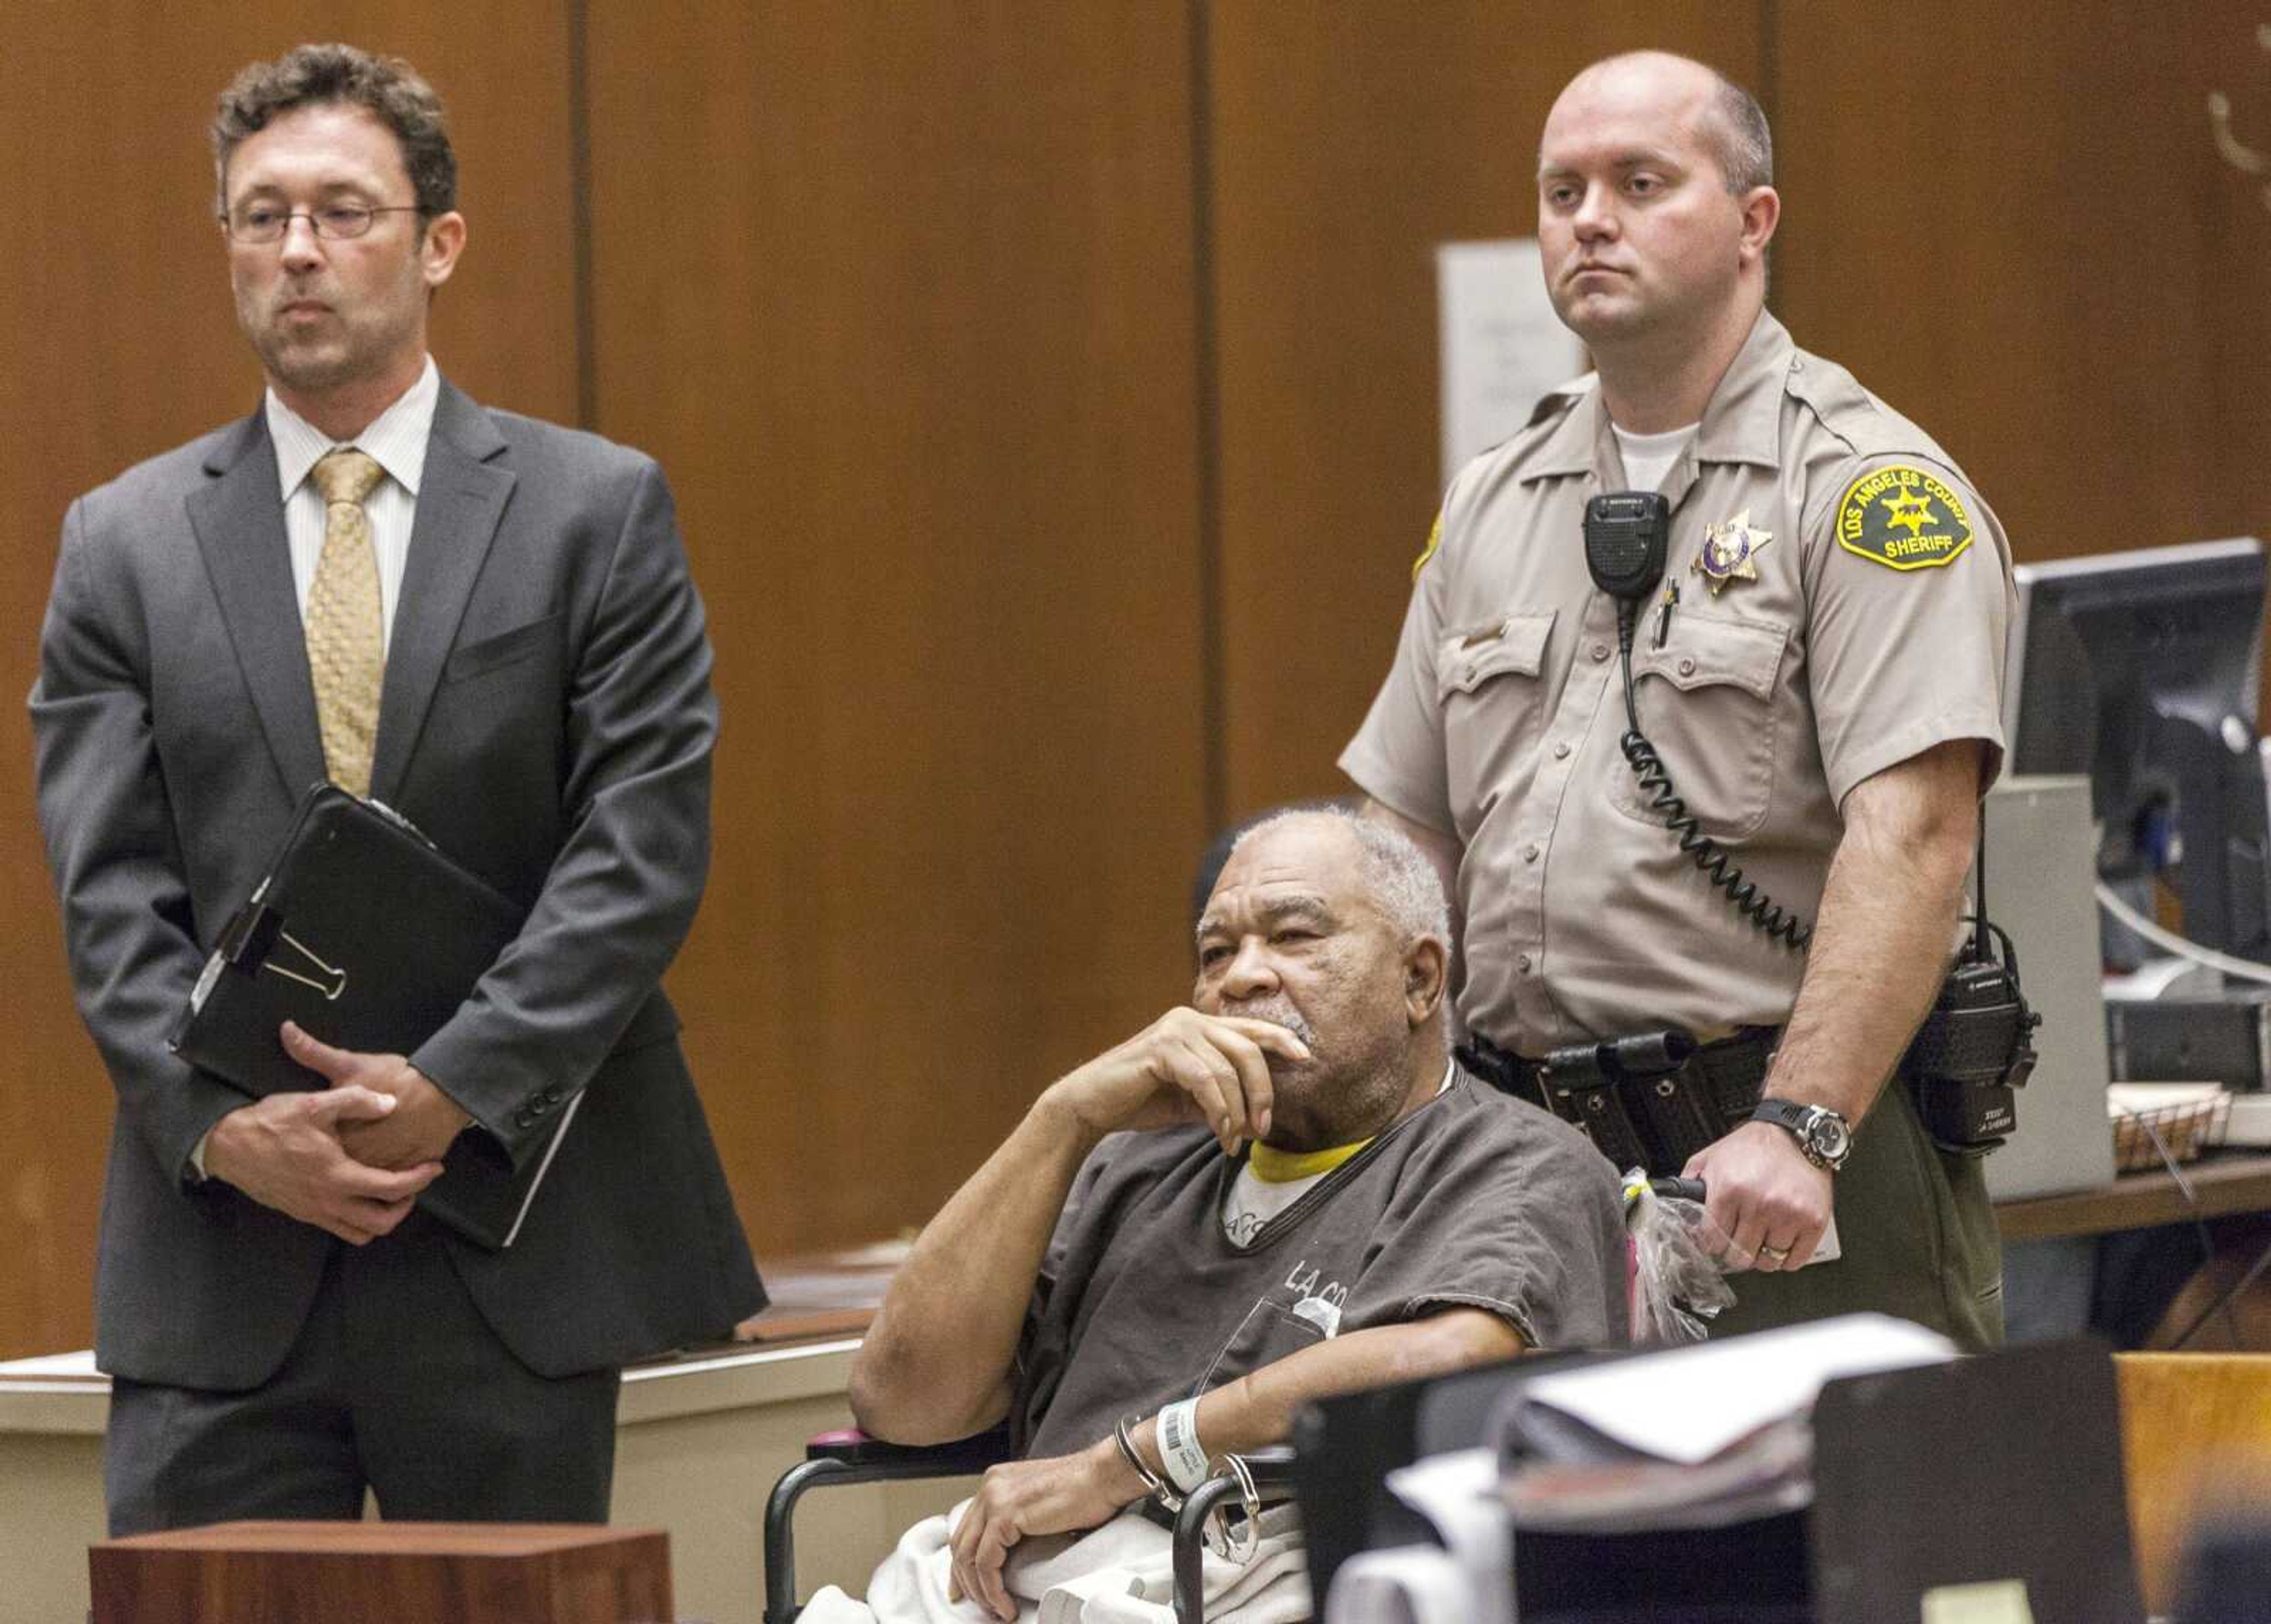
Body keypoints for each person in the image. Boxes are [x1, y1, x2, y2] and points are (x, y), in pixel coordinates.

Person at [30, 43, 763, 1533]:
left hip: (508, 1239)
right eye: (260, 214)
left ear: (439, 243)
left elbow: (639, 851)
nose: (297, 248)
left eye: (344, 211)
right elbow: (108, 893)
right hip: (223, 1263)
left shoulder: (594, 510)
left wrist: (452, 1087)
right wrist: (225, 1128)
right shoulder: (124, 541)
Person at [1341, 50, 2016, 1350]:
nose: (1589, 218)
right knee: (1552, 1548)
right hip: (1518, 1167)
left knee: (1846, 1546)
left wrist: (1803, 1119)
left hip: (1779, 1166)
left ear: (1754, 222)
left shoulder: (1868, 491)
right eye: (1562, 190)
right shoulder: (1496, 497)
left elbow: (1918, 836)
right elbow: (1399, 846)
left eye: (1640, 183)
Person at [819, 807, 1626, 1623]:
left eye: (1294, 937)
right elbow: (902, 1402)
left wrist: (1129, 1460)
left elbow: (1459, 1355)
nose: (1242, 976)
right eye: (1216, 952)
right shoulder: (1134, 1164)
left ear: (1417, 980)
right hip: (996, 1587)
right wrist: (1063, 1117)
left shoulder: (1515, 1160)